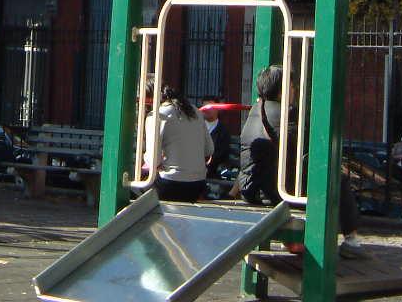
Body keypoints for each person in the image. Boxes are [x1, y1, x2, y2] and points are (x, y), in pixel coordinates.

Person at [237, 65, 364, 256]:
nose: (295, 89)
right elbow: (306, 149)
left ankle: (290, 241)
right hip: (276, 192)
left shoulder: (256, 110)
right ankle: (351, 240)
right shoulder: (287, 113)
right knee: (337, 180)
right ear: (282, 89)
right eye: (292, 85)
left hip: (251, 188)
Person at [143, 82, 212, 203]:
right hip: (198, 185)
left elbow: (153, 160)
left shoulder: (157, 115)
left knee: (135, 187)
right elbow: (209, 150)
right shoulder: (195, 111)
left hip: (170, 184)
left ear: (148, 99)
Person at [200, 96, 233, 180]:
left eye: (210, 107)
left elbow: (221, 153)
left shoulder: (223, 131)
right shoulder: (196, 127)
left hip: (213, 170)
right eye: (204, 107)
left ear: (217, 109)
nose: (207, 110)